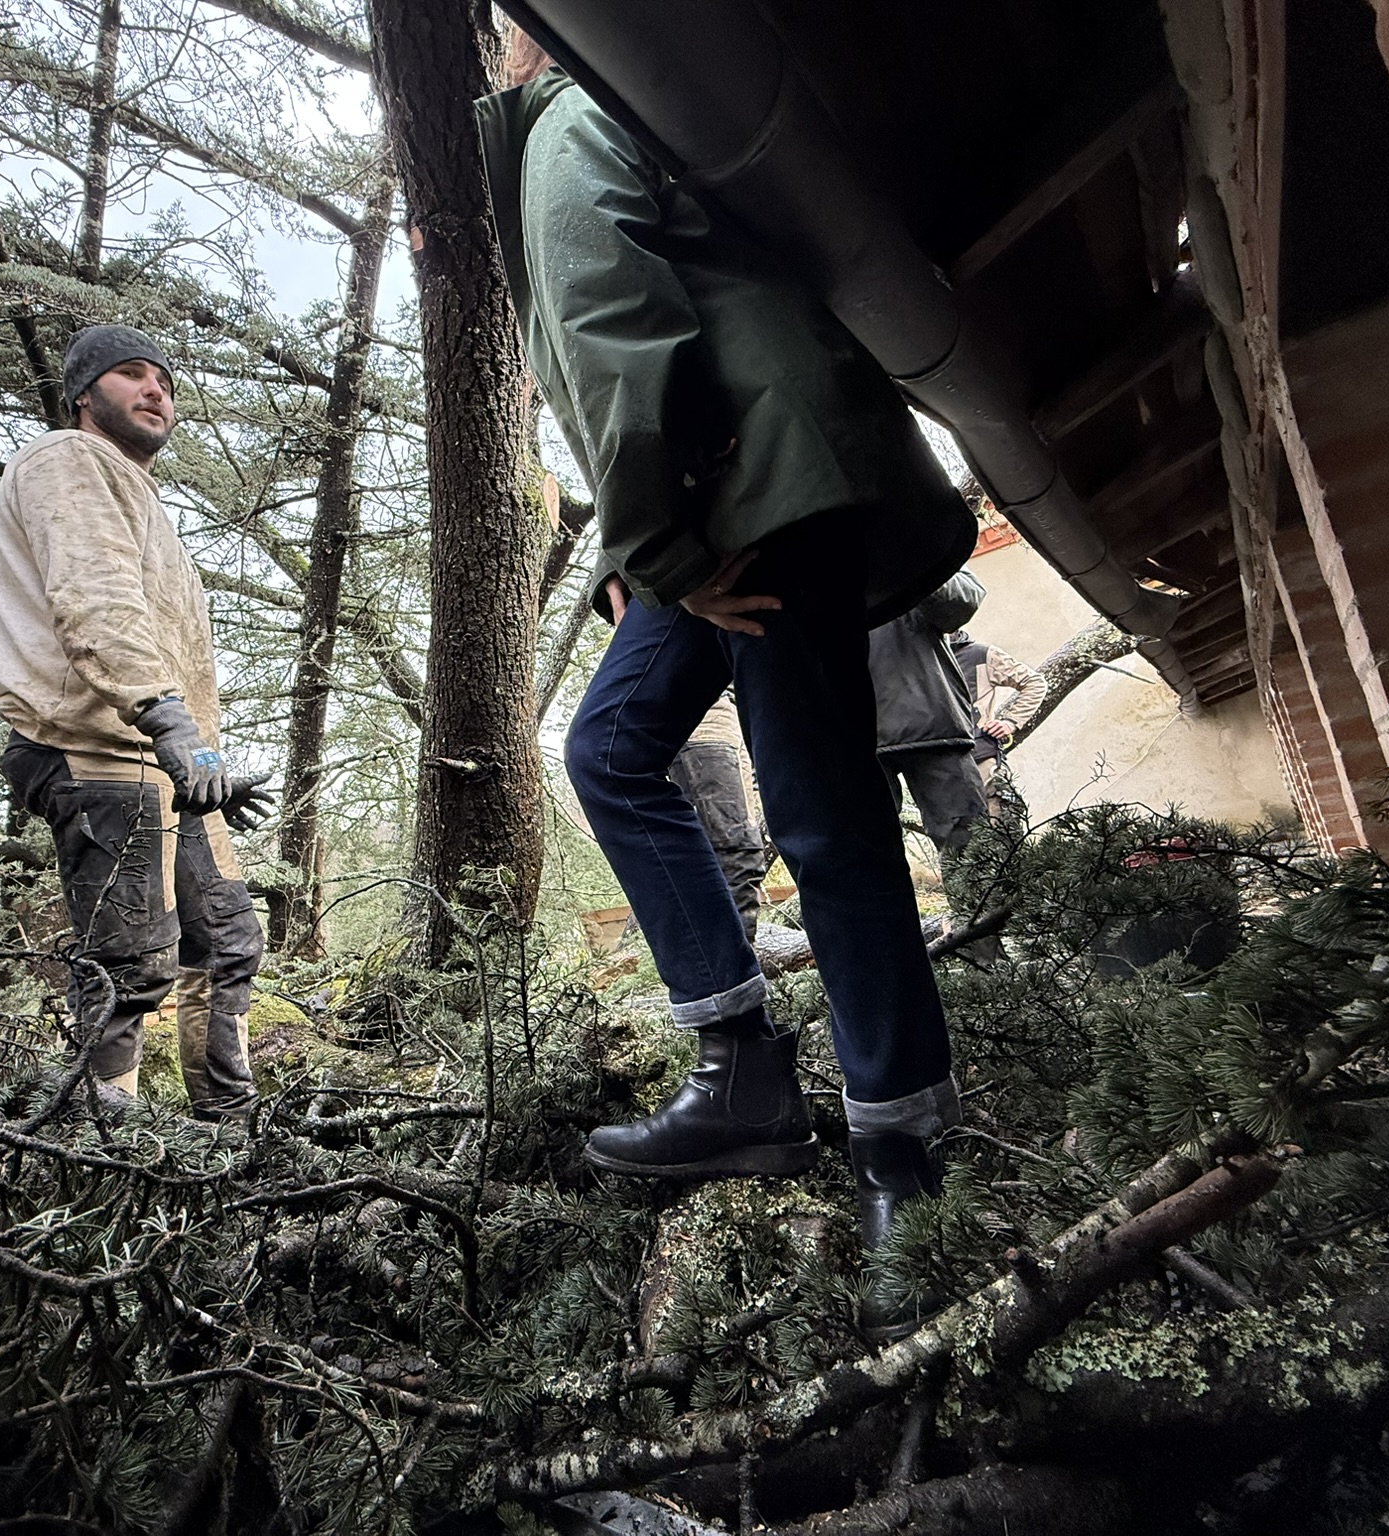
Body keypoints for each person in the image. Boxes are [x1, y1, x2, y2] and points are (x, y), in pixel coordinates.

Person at [478, 40, 977, 1247]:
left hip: (761, 496)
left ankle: (902, 1146)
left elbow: (610, 324)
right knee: (610, 746)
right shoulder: (640, 104)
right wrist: (636, 559)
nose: (489, 45)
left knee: (821, 808)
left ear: (521, 31)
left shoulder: (567, 113)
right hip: (729, 493)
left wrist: (658, 550)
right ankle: (743, 1065)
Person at [0, 324, 273, 1117]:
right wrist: (165, 717)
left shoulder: (141, 497)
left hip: (169, 766)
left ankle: (228, 1125)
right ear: (84, 395)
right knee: (130, 966)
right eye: (131, 375)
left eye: (165, 381)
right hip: (98, 751)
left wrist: (197, 760)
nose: (155, 391)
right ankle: (110, 1151)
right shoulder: (68, 463)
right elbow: (94, 598)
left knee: (227, 943)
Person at [868, 572, 990, 859]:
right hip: (851, 735)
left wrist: (904, 552)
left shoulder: (908, 535)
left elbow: (963, 601)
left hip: (933, 724)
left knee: (973, 851)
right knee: (867, 858)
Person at [669, 692, 767, 942]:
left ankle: (727, 968)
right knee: (736, 852)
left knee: (713, 858)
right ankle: (739, 972)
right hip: (709, 715)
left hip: (711, 716)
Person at [949, 628, 1046, 821]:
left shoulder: (980, 654)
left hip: (982, 757)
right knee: (960, 839)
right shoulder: (918, 662)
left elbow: (1034, 683)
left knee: (1004, 824)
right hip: (940, 768)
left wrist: (1010, 722)